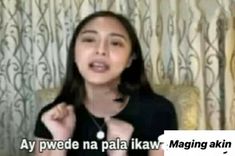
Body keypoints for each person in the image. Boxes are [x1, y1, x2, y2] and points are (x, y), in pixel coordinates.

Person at [34, 11, 178, 156]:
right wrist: (60, 141)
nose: (101, 50)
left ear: (130, 59)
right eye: (89, 40)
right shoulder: (53, 117)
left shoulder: (160, 111)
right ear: (74, 54)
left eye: (115, 43)